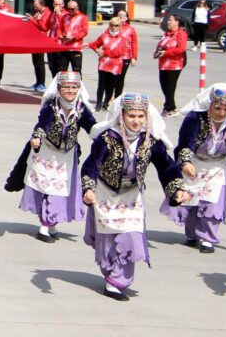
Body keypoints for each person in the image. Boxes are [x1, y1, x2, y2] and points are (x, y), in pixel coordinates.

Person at [80, 93, 188, 301]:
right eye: (131, 116)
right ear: (121, 115)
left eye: (140, 116)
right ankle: (110, 274)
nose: (136, 121)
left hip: (132, 196)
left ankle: (117, 281)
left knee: (131, 236)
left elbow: (166, 167)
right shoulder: (107, 139)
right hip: (105, 194)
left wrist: (176, 189)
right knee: (109, 238)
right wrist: (88, 188)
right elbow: (91, 165)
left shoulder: (150, 141)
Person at [7, 72, 96, 242]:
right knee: (47, 189)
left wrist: (103, 137)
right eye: (66, 87)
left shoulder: (81, 109)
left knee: (60, 190)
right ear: (59, 89)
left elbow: (91, 126)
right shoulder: (51, 107)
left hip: (66, 157)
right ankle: (45, 226)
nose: (70, 90)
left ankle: (50, 223)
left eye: (74, 87)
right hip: (46, 154)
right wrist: (37, 137)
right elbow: (43, 124)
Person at [160, 84, 226, 254]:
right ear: (210, 104)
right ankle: (192, 234)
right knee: (191, 201)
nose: (221, 113)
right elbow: (186, 141)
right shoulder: (195, 118)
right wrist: (185, 162)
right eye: (217, 108)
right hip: (194, 163)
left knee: (213, 201)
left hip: (218, 166)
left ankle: (207, 238)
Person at [88, 18, 129, 111]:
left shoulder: (123, 39)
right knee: (101, 85)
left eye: (116, 26)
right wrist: (97, 51)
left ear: (119, 26)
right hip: (104, 64)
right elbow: (94, 44)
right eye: (112, 25)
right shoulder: (104, 36)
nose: (114, 27)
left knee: (110, 86)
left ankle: (106, 103)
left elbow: (120, 52)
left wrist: (105, 53)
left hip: (115, 65)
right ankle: (99, 103)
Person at [156, 15, 188, 117]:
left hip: (174, 65)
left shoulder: (181, 33)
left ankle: (170, 108)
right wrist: (157, 52)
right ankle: (169, 107)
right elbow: (161, 45)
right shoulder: (166, 33)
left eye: (170, 20)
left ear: (177, 22)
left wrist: (166, 53)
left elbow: (181, 49)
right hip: (163, 64)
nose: (168, 22)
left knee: (170, 87)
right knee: (164, 86)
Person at [27, 0, 52, 92]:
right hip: (35, 40)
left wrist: (35, 20)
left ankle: (42, 83)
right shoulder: (38, 13)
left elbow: (44, 28)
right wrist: (32, 19)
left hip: (41, 41)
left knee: (40, 62)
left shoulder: (47, 14)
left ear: (42, 5)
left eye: (36, 6)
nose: (35, 8)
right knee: (35, 62)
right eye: (34, 6)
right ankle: (38, 81)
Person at [59, 1, 88, 73]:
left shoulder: (83, 17)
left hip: (76, 49)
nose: (70, 11)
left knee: (76, 71)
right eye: (68, 9)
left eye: (72, 9)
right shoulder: (65, 17)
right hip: (64, 48)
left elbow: (84, 32)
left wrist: (73, 37)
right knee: (62, 70)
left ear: (77, 8)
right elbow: (60, 29)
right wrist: (61, 36)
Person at [114, 10, 138, 97]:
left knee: (121, 78)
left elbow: (134, 43)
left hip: (125, 57)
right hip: (113, 57)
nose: (121, 17)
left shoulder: (131, 29)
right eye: (119, 15)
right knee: (112, 77)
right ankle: (108, 97)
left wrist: (134, 57)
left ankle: (117, 97)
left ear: (127, 18)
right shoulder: (113, 28)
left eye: (123, 15)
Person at [46, 0, 66, 77]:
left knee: (59, 65)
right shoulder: (52, 14)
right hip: (51, 41)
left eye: (59, 4)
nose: (57, 6)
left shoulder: (65, 14)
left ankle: (59, 81)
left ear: (63, 5)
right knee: (51, 65)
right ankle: (54, 80)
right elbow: (46, 27)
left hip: (59, 43)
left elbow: (64, 25)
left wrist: (58, 14)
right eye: (55, 4)